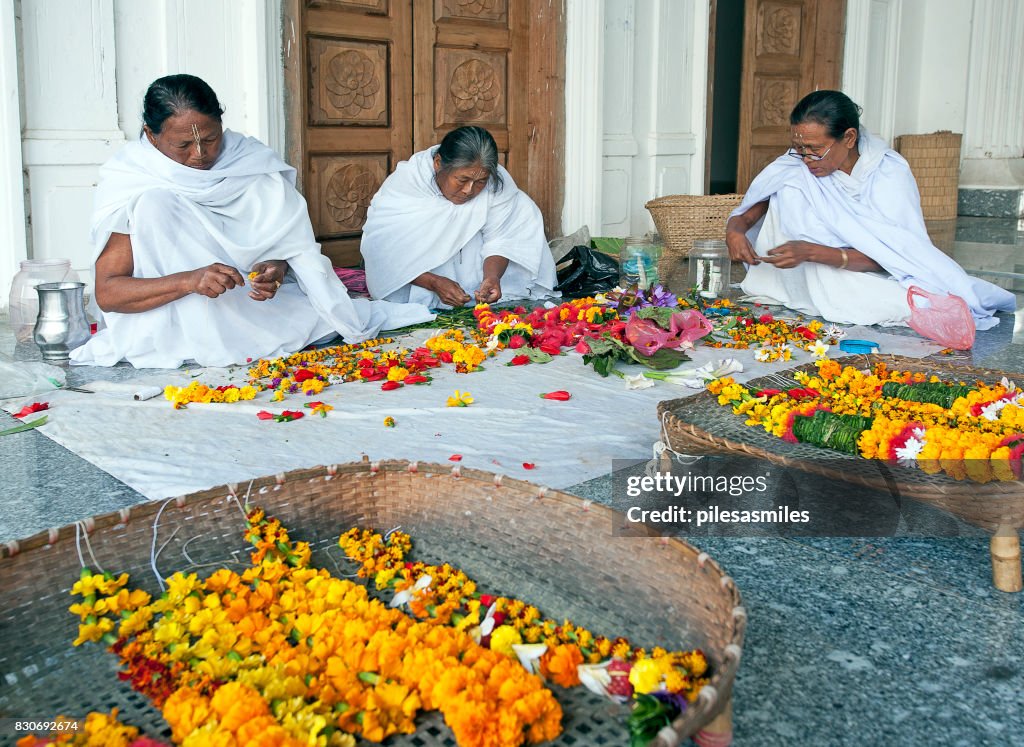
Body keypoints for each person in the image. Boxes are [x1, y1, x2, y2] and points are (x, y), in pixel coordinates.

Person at [71, 74, 433, 368]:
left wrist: (276, 267)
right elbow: (108, 294)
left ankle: (245, 330)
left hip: (249, 305)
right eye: (183, 145)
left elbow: (288, 249)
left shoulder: (251, 164)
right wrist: (190, 281)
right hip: (170, 318)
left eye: (211, 139)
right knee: (155, 203)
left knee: (328, 318)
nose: (200, 155)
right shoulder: (134, 181)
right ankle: (209, 334)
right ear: (151, 136)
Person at [726, 90, 1014, 329]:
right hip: (793, 275)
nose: (806, 159)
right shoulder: (794, 165)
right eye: (799, 149)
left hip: (858, 271)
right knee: (788, 185)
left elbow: (896, 256)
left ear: (849, 138)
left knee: (916, 305)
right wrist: (736, 229)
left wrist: (813, 252)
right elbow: (756, 204)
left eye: (815, 149)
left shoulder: (888, 173)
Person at [361, 126, 557, 308]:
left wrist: (493, 277)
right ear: (438, 164)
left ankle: (484, 289)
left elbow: (503, 237)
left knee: (521, 206)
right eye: (462, 180)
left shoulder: (497, 183)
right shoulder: (405, 184)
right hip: (418, 277)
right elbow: (383, 251)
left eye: (480, 181)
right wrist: (434, 282)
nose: (469, 190)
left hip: (477, 279)